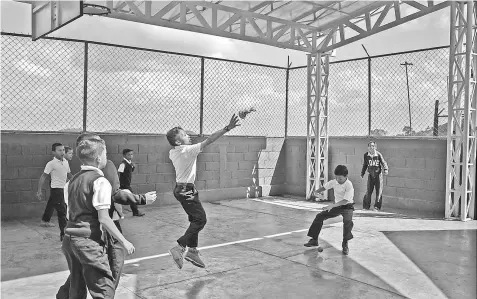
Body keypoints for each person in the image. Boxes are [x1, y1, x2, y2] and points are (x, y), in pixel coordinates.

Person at [56, 133, 157, 299]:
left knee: (76, 285)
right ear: (97, 158)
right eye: (105, 154)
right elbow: (103, 218)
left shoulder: (71, 181)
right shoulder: (100, 181)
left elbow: (70, 214)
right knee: (104, 289)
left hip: (69, 240)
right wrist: (124, 241)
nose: (107, 158)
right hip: (88, 241)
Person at [167, 114, 240, 269]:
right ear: (178, 141)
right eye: (185, 135)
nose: (189, 136)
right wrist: (227, 128)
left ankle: (192, 251)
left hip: (181, 189)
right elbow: (210, 140)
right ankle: (180, 247)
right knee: (201, 220)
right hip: (187, 190)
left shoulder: (173, 152)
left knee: (195, 219)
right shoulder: (188, 151)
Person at [304, 165, 354, 255]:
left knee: (348, 222)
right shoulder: (334, 182)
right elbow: (325, 187)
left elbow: (345, 200)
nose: (338, 180)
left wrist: (332, 206)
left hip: (347, 206)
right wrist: (317, 191)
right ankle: (314, 240)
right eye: (336, 178)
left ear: (346, 177)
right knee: (319, 216)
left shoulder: (349, 185)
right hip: (337, 206)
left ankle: (345, 243)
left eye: (340, 178)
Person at [36, 143, 71, 241]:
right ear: (54, 152)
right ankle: (63, 234)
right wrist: (39, 190)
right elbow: (43, 176)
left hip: (64, 189)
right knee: (62, 211)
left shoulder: (66, 162)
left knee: (53, 204)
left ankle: (45, 220)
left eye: (63, 150)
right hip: (56, 190)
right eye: (59, 150)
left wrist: (76, 181)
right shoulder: (51, 164)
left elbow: (68, 174)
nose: (62, 152)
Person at [360, 141, 389, 211]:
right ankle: (366, 206)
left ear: (375, 147)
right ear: (368, 147)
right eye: (370, 146)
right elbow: (365, 164)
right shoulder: (366, 155)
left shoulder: (378, 154)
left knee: (379, 191)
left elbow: (383, 162)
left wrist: (386, 169)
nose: (371, 147)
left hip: (378, 175)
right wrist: (362, 172)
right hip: (370, 175)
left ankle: (377, 207)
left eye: (373, 146)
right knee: (368, 191)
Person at [118, 148, 144, 217]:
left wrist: (133, 167)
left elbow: (129, 172)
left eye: (132, 154)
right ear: (124, 155)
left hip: (126, 184)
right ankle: (136, 212)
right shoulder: (123, 164)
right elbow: (120, 173)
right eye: (128, 155)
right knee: (132, 198)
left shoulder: (130, 163)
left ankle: (135, 212)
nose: (130, 156)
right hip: (124, 184)